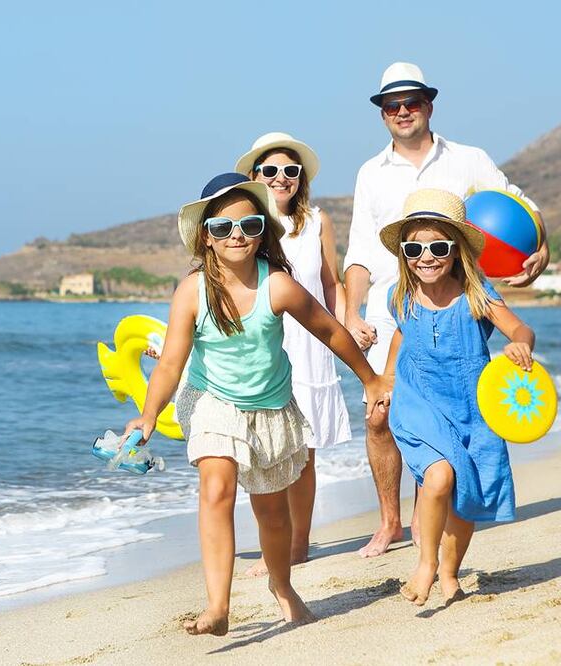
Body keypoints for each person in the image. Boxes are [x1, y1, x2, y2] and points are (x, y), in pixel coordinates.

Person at [124, 173, 389, 636]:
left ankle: (282, 587)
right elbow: (170, 364)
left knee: (272, 513)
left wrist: (370, 379)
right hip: (211, 399)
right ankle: (218, 606)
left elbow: (330, 331)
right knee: (217, 488)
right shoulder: (192, 291)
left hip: (270, 407)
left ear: (263, 231)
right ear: (206, 237)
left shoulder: (278, 286)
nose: (237, 235)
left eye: (248, 225)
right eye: (223, 227)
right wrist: (148, 415)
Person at [344, 62, 549, 557]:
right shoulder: (370, 173)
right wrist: (351, 312)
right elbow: (359, 250)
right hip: (393, 307)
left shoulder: (469, 159)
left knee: (441, 411)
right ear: (382, 114)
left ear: (429, 105)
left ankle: (427, 514)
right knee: (379, 418)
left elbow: (519, 206)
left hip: (457, 306)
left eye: (412, 102)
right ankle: (390, 521)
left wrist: (542, 246)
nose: (403, 111)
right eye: (392, 105)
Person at [379, 188, 535, 605]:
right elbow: (403, 335)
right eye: (415, 249)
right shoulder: (399, 296)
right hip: (419, 404)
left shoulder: (476, 294)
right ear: (404, 254)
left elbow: (519, 328)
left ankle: (449, 572)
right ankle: (426, 565)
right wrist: (386, 379)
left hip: (473, 407)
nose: (426, 257)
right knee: (440, 477)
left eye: (438, 247)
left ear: (456, 249)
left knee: (466, 494)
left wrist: (520, 345)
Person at [235, 132, 352, 575]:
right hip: (262, 345)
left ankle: (298, 544)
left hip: (310, 346)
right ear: (255, 176)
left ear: (301, 177)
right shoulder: (246, 224)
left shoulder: (317, 221)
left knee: (304, 453)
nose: (281, 178)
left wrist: (348, 325)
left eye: (290, 170)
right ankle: (274, 544)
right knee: (265, 450)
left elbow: (330, 283)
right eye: (270, 170)